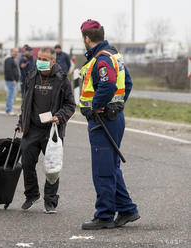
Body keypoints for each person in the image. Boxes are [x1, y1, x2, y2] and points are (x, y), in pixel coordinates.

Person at [78, 19, 139, 230]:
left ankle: (104, 216)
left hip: (103, 121)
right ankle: (127, 209)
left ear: (87, 38)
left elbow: (108, 84)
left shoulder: (101, 59)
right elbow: (127, 83)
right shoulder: (114, 56)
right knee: (111, 166)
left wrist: (97, 106)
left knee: (103, 169)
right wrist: (118, 105)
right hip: (114, 118)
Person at [17, 47, 76, 214]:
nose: (41, 62)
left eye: (45, 59)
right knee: (27, 163)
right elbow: (26, 103)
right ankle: (31, 195)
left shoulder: (62, 79)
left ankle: (50, 201)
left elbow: (70, 105)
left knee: (52, 168)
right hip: (32, 128)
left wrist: (59, 116)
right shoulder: (31, 76)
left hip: (53, 130)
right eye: (39, 58)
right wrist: (21, 121)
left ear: (53, 61)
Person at [4, 48, 20, 116]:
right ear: (11, 52)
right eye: (15, 52)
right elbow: (8, 70)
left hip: (13, 80)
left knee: (12, 96)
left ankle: (9, 110)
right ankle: (8, 110)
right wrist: (12, 79)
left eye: (17, 52)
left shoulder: (12, 59)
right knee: (10, 96)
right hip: (11, 81)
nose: (16, 53)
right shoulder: (9, 59)